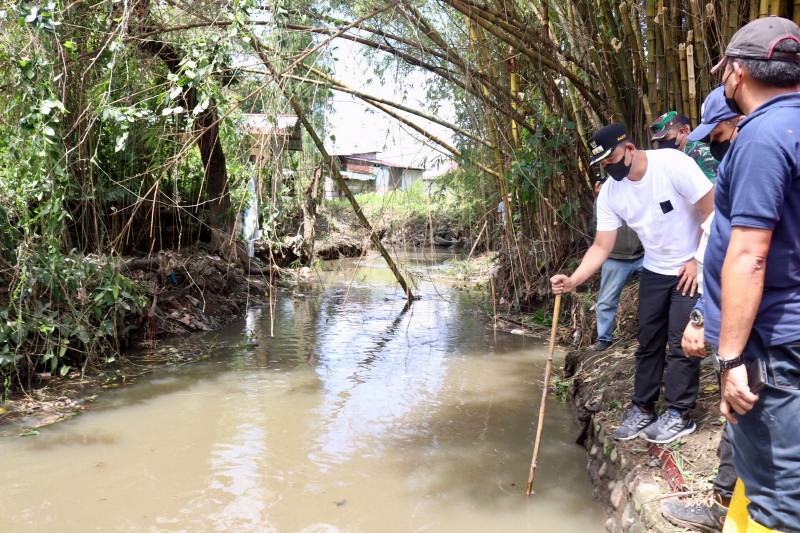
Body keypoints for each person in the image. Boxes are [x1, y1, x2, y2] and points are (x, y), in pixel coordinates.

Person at [552, 123, 713, 444]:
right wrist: (573, 280)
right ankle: (643, 408)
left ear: (630, 148)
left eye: (611, 160)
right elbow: (601, 246)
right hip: (655, 269)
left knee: (682, 342)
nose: (609, 168)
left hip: (690, 267)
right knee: (648, 341)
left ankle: (680, 413)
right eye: (603, 165)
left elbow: (713, 210)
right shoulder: (612, 192)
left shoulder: (672, 164)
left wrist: (699, 260)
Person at [701, 16, 800, 532]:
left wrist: (732, 356)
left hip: (774, 339)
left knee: (782, 497)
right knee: (765, 467)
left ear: (737, 73)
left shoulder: (762, 138)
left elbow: (749, 255)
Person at [660, 86, 742, 533]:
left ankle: (729, 507)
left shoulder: (754, 164)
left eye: (720, 132)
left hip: (757, 322)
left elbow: (738, 253)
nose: (714, 143)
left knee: (742, 403)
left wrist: (701, 316)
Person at [591, 177, 644, 352]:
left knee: (656, 296)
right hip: (615, 257)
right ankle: (604, 339)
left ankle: (651, 335)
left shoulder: (637, 193)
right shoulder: (604, 200)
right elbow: (597, 226)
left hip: (644, 254)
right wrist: (600, 197)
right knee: (606, 300)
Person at [649, 111, 719, 182]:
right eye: (660, 140)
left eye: (666, 137)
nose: (663, 144)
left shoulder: (704, 153)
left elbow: (712, 189)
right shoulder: (669, 158)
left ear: (685, 130)